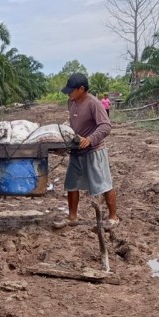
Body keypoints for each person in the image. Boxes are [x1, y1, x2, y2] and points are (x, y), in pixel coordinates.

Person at [54, 73, 119, 230]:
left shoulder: (94, 104)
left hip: (94, 151)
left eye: (71, 90)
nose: (69, 93)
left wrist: (90, 139)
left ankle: (113, 217)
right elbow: (73, 122)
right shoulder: (71, 102)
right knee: (71, 184)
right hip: (76, 151)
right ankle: (72, 217)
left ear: (81, 89)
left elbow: (105, 126)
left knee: (103, 184)